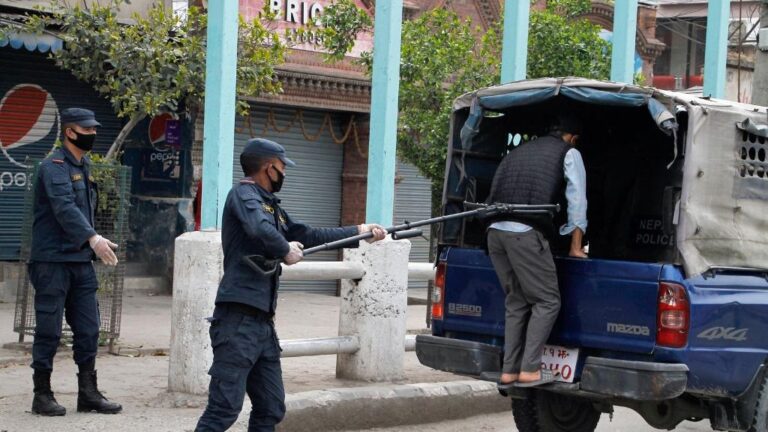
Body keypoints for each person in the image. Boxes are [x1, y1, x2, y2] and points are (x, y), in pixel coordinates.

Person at [195, 138, 387, 432]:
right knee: (224, 409)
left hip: (262, 324)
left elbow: (306, 234)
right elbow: (258, 229)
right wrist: (285, 249)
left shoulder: (271, 206)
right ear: (269, 167)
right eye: (283, 167)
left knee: (271, 407)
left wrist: (360, 231)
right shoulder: (243, 195)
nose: (285, 173)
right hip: (237, 321)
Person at [28, 107, 123, 416]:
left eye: (94, 129)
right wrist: (92, 238)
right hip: (52, 262)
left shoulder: (83, 165)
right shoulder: (53, 166)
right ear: (69, 131)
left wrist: (91, 242)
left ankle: (88, 393)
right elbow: (64, 207)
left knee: (89, 329)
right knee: (49, 331)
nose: (93, 134)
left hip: (80, 262)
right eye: (87, 130)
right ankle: (41, 394)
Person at [486, 115, 588, 390]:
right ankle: (530, 369)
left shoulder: (520, 150)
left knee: (517, 300)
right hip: (524, 233)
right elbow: (577, 200)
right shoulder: (570, 152)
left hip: (494, 232)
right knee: (547, 301)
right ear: (573, 137)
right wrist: (576, 247)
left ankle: (509, 371)